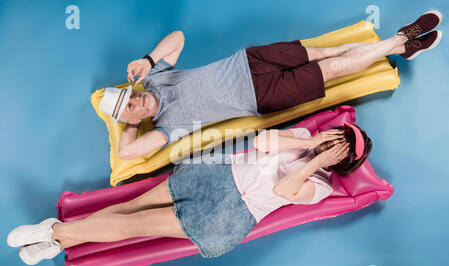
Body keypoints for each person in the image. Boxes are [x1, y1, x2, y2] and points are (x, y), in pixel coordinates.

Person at [96, 11, 442, 160]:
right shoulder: (165, 128)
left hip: (251, 60)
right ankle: (402, 39)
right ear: (130, 120)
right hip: (264, 96)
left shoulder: (156, 77)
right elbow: (126, 152)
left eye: (130, 95)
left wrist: (149, 60)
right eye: (129, 106)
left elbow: (178, 37)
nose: (136, 100)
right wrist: (126, 124)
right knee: (334, 67)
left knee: (329, 49)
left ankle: (401, 47)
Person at [8, 123, 372, 264]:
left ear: (342, 162)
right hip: (217, 174)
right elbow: (262, 141)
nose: (335, 140)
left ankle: (53, 233)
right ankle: (57, 239)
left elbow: (283, 189)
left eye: (342, 146)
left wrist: (319, 161)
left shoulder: (321, 186)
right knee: (129, 208)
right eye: (338, 134)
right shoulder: (304, 140)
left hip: (229, 214)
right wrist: (312, 143)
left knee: (135, 226)